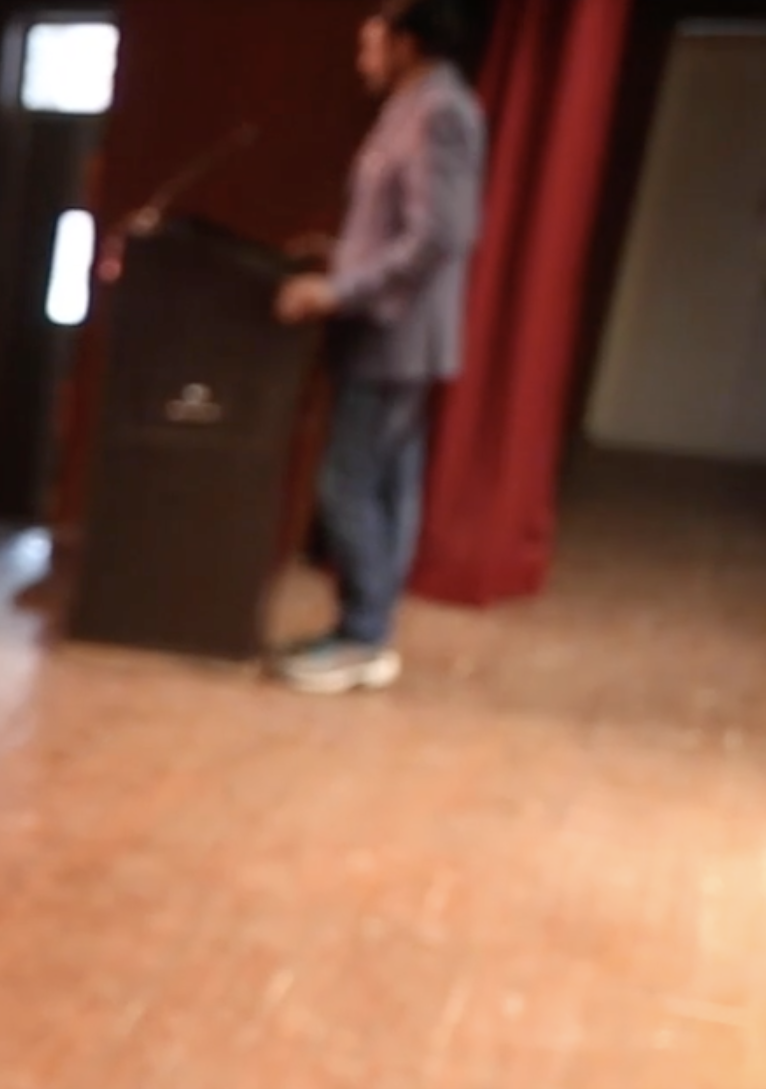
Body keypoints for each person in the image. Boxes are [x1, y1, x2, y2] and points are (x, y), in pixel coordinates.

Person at [270, 0, 485, 696]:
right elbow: (394, 229)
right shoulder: (411, 106)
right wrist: (338, 257)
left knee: (354, 484)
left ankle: (363, 637)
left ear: (408, 42)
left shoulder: (440, 111)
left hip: (394, 336)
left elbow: (437, 236)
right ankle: (367, 632)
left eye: (371, 46)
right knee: (381, 485)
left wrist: (338, 291)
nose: (362, 60)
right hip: (381, 326)